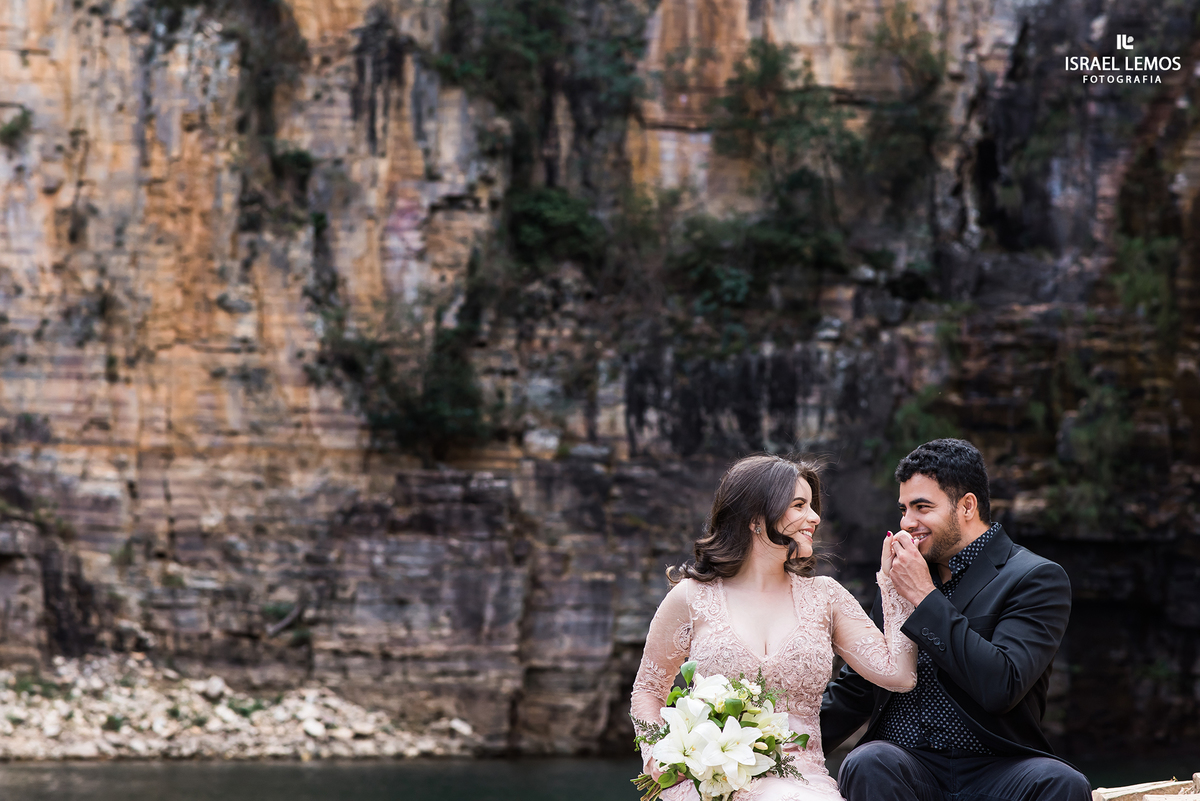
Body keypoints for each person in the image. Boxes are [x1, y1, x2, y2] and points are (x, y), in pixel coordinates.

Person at [631, 454, 918, 800]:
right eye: (799, 505)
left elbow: (899, 675)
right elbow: (648, 688)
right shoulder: (690, 598)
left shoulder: (825, 597)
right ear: (755, 517)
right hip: (709, 785)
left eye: (812, 506)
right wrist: (657, 756)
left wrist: (892, 584)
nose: (814, 518)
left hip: (803, 783)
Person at [821, 438, 1092, 801]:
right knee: (866, 760)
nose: (907, 522)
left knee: (1063, 782)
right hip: (905, 763)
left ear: (967, 506)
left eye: (921, 507)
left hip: (999, 768)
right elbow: (859, 685)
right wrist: (770, 751)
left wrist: (924, 596)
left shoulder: (1036, 577)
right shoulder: (901, 576)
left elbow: (1002, 686)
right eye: (903, 509)